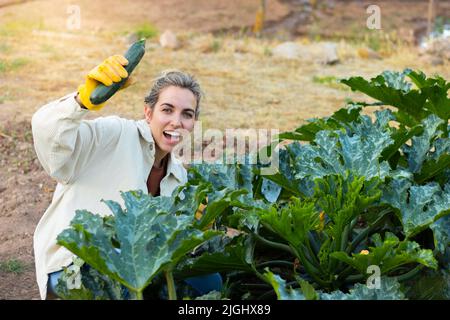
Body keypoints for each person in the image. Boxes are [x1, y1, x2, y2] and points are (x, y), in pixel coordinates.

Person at [31, 54, 222, 299]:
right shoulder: (116, 134)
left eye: (187, 114)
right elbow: (48, 134)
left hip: (130, 273)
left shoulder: (178, 177)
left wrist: (199, 228)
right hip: (74, 266)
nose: (177, 122)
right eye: (167, 109)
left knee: (209, 283)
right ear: (148, 112)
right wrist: (82, 101)